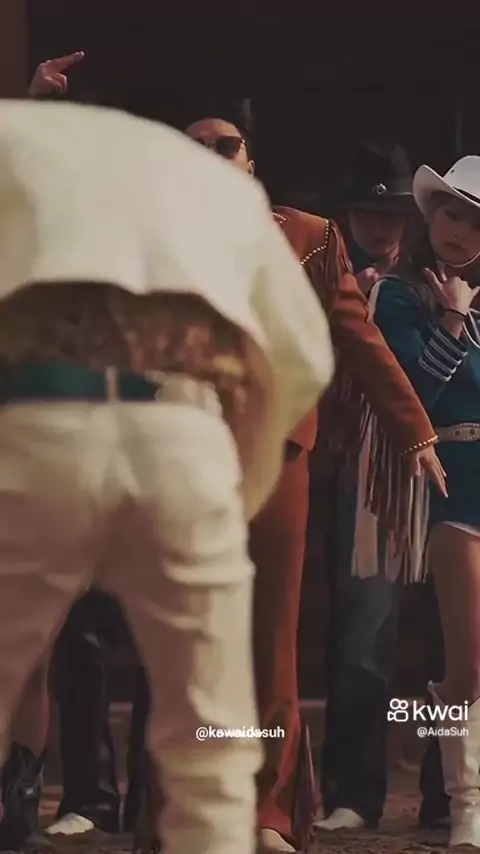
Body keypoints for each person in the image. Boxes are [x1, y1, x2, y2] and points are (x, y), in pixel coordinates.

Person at [0, 98, 334, 854]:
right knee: (205, 712)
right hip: (181, 444)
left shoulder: (28, 167)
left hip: (46, 429)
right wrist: (239, 487)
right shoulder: (226, 205)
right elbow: (300, 359)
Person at [135, 99, 446, 854]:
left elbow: (359, 338)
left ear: (251, 161)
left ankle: (269, 811)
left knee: (271, 638)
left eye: (226, 145)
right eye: (195, 147)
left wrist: (413, 430)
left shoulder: (309, 238)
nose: (212, 157)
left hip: (277, 456)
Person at [317, 142, 445, 832]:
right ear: (347, 217)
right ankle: (353, 793)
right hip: (363, 470)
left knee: (450, 641)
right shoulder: (323, 274)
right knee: (362, 636)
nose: (381, 227)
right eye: (368, 214)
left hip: (443, 469)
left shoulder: (431, 280)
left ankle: (447, 793)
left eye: (392, 215)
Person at [372, 155, 480, 849]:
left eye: (476, 222)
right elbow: (413, 395)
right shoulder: (399, 295)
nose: (460, 230)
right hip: (453, 483)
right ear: (429, 216)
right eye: (451, 213)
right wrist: (450, 319)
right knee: (466, 661)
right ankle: (464, 806)